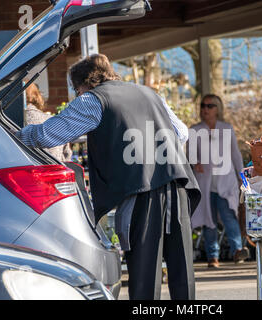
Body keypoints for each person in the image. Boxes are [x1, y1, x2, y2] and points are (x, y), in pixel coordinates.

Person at [16, 54, 201, 300]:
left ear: (84, 83)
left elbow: (47, 136)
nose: (76, 94)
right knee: (182, 271)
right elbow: (182, 132)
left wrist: (15, 134)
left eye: (75, 89)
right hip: (177, 183)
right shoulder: (149, 93)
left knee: (145, 274)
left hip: (140, 188)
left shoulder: (93, 100)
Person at [189, 94, 249, 268]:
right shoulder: (194, 130)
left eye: (210, 106)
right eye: (203, 105)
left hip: (226, 181)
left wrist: (242, 178)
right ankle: (212, 257)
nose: (205, 109)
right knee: (209, 221)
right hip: (205, 184)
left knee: (230, 217)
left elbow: (235, 155)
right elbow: (190, 155)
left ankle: (238, 250)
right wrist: (195, 163)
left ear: (218, 109)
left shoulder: (226, 128)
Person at [24, 83, 72, 162]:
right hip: (55, 170)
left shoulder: (10, 121)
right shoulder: (54, 120)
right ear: (37, 95)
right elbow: (67, 154)